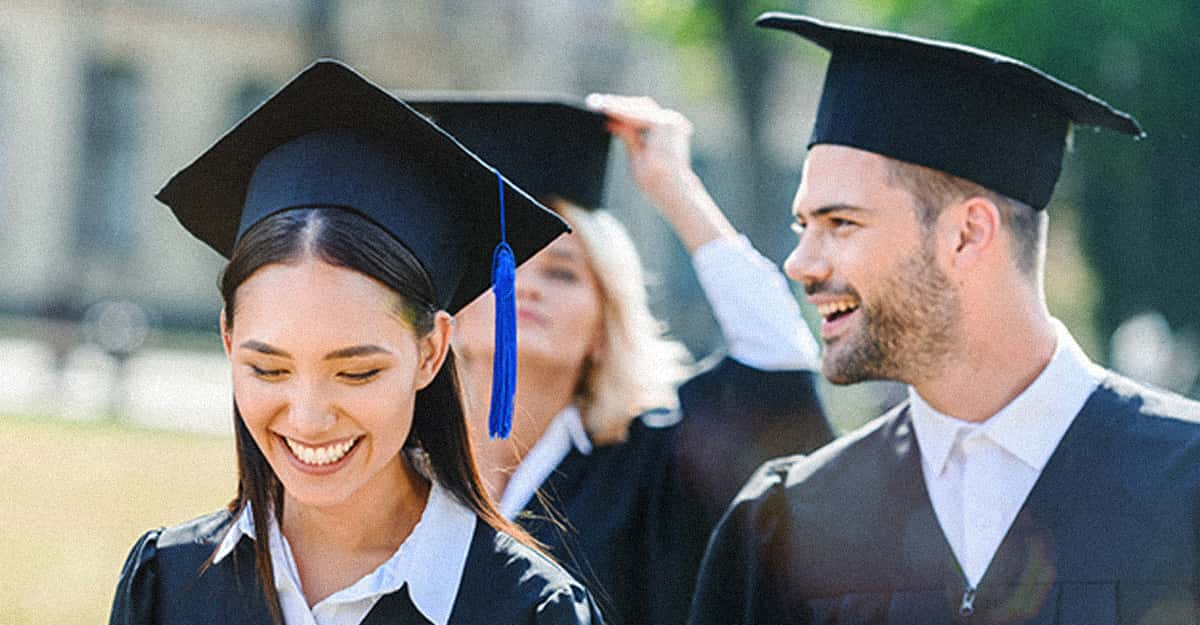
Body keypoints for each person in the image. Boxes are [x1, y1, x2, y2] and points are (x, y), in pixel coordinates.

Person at [690, 13, 1200, 625]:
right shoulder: (793, 523)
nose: (799, 264)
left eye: (840, 223)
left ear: (967, 234)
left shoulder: (1186, 484)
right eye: (804, 225)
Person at [108, 60, 603, 625]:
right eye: (268, 370)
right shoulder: (169, 585)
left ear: (431, 351)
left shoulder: (525, 610)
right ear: (228, 339)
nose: (310, 418)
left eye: (356, 372)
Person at [410, 95, 834, 625]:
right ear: (444, 311)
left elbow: (778, 360)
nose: (526, 288)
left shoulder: (652, 472)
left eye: (562, 272)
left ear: (602, 326)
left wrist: (675, 187)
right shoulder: (395, 461)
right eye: (503, 265)